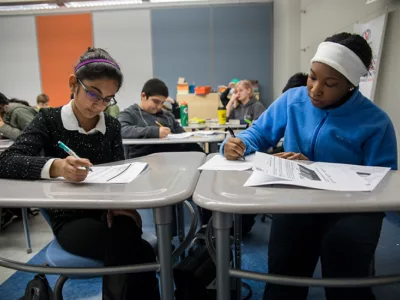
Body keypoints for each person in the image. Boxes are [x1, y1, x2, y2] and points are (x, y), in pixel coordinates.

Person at [222, 33, 397, 300]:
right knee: (283, 279)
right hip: (296, 201)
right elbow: (257, 133)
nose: (315, 90)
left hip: (352, 210)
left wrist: (316, 168)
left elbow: (385, 181)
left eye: (330, 84)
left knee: (345, 284)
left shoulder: (375, 122)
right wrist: (237, 144)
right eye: (312, 76)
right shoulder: (293, 100)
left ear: (350, 85)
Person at [0, 48, 160, 300]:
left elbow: (119, 172)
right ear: (73, 83)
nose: (99, 105)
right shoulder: (48, 120)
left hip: (110, 211)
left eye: (108, 99)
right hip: (71, 217)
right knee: (138, 252)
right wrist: (56, 167)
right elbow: (6, 162)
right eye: (93, 94)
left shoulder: (112, 126)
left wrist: (127, 207)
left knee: (130, 242)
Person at [118, 78, 203, 159]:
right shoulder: (130, 114)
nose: (159, 106)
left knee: (197, 151)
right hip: (145, 160)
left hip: (173, 159)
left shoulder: (168, 116)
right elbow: (121, 130)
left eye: (162, 103)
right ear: (143, 96)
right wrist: (154, 132)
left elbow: (182, 135)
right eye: (156, 101)